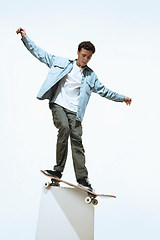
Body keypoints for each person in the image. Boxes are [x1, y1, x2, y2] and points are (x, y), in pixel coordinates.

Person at [16, 27, 132, 191]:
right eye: (84, 55)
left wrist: (122, 98)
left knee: (77, 141)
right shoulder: (61, 63)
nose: (85, 59)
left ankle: (82, 178)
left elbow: (104, 91)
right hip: (58, 105)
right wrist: (25, 38)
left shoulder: (91, 76)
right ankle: (57, 171)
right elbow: (41, 54)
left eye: (89, 57)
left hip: (75, 112)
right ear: (78, 52)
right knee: (64, 128)